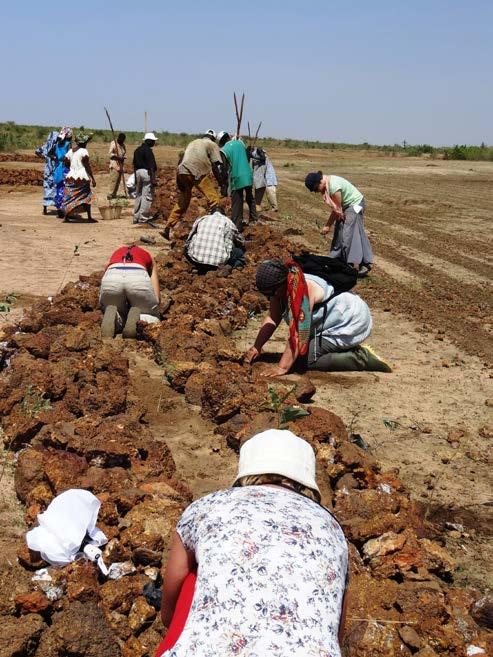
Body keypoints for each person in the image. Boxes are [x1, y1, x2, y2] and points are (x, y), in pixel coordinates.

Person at [158, 428, 349, 657]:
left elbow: (173, 584)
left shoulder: (209, 505)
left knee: (194, 576)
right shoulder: (331, 527)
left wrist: (172, 626)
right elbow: (336, 626)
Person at [244, 259, 392, 375]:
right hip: (334, 319)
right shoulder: (281, 285)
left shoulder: (301, 291)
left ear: (280, 285)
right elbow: (273, 318)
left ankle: (361, 358)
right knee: (297, 354)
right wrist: (256, 346)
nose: (269, 297)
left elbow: (297, 333)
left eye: (271, 293)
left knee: (306, 360)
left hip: (350, 321)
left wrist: (282, 368)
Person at [162, 130, 227, 240]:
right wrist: (223, 184)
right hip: (198, 171)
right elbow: (216, 166)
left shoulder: (192, 142)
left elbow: (181, 161)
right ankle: (215, 229)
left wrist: (179, 180)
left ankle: (167, 228)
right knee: (214, 199)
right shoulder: (212, 144)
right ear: (213, 138)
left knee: (183, 201)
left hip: (182, 171)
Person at [305, 171, 372, 276]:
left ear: (320, 182)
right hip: (346, 206)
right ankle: (336, 261)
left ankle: (360, 264)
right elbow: (338, 210)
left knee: (348, 234)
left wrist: (327, 225)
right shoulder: (327, 185)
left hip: (355, 204)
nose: (317, 192)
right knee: (339, 232)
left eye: (316, 189)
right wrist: (329, 225)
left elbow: (337, 209)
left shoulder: (333, 187)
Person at [99, 244, 161, 338]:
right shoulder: (147, 255)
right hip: (138, 276)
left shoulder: (117, 251)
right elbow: (154, 278)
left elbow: (106, 265)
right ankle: (140, 318)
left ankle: (115, 317)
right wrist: (155, 301)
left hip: (112, 275)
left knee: (116, 308)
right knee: (150, 314)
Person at [218, 131, 256, 230]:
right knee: (250, 198)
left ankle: (236, 226)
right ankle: (254, 219)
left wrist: (224, 185)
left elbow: (224, 169)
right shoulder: (240, 143)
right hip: (248, 174)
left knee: (237, 202)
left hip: (237, 177)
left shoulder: (224, 150)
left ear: (221, 142)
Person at [62, 133, 97, 222]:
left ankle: (66, 217)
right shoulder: (84, 151)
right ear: (83, 143)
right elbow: (87, 165)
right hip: (82, 178)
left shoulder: (70, 151)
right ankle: (89, 217)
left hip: (70, 177)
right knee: (87, 196)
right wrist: (92, 178)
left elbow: (65, 162)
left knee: (69, 197)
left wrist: (72, 168)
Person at [133, 132, 158, 224]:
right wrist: (153, 179)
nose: (154, 143)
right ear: (149, 141)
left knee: (138, 195)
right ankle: (143, 218)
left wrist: (136, 178)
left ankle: (136, 217)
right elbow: (151, 166)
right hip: (147, 174)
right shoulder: (148, 151)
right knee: (147, 196)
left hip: (138, 173)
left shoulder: (137, 150)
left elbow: (134, 165)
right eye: (153, 141)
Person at [35, 130, 59, 214]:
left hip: (47, 170)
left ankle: (45, 209)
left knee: (47, 188)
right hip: (56, 170)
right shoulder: (57, 146)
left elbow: (37, 151)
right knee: (57, 188)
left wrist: (44, 157)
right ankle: (59, 209)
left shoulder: (46, 146)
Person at [53, 127, 72, 217]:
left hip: (57, 169)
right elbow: (69, 157)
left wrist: (56, 158)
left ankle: (59, 211)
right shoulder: (68, 144)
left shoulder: (57, 144)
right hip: (65, 168)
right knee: (66, 189)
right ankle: (66, 212)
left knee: (59, 189)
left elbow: (50, 154)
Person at [251, 147, 278, 211]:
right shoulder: (255, 156)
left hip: (269, 177)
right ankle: (257, 206)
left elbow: (262, 158)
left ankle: (274, 208)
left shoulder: (263, 157)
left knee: (270, 191)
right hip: (262, 177)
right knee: (259, 190)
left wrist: (252, 156)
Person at [108, 132, 126, 198]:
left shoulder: (123, 145)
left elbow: (124, 153)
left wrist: (122, 158)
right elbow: (110, 155)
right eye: (121, 140)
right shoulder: (114, 143)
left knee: (118, 181)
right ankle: (110, 194)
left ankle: (114, 194)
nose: (122, 141)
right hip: (114, 165)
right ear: (119, 138)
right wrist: (118, 157)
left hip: (120, 165)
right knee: (114, 180)